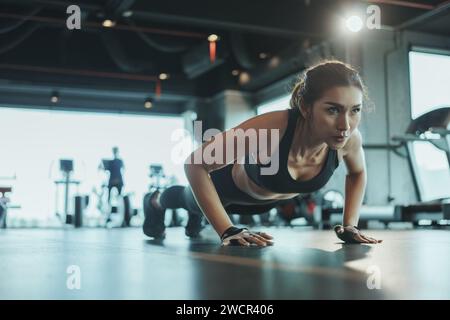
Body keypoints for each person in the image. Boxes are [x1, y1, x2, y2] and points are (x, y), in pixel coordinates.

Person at [143, 60, 383, 246]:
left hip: (261, 203)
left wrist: (350, 225)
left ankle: (196, 219)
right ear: (305, 107)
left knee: (197, 214)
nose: (346, 125)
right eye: (333, 110)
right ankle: (153, 201)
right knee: (186, 201)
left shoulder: (349, 139)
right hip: (223, 190)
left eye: (355, 110)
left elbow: (358, 173)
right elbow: (195, 164)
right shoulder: (272, 127)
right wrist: (227, 230)